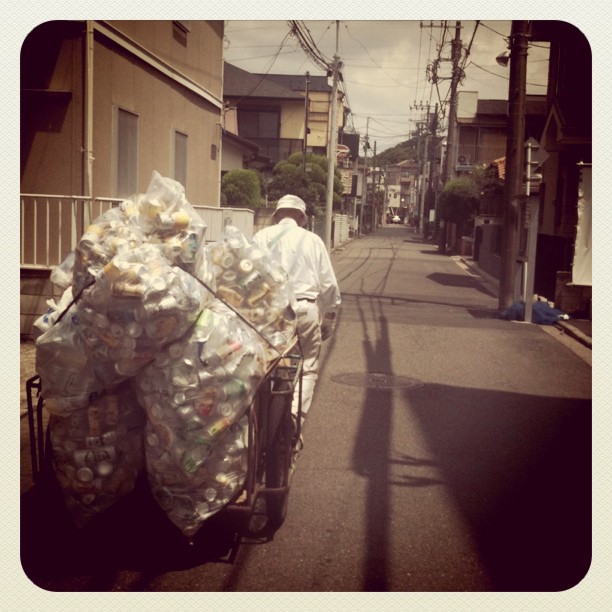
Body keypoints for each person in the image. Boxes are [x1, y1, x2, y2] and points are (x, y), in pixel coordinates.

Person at [253, 194, 341, 431]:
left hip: (268, 311)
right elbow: (329, 285)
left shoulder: (261, 237)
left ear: (277, 215)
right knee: (308, 365)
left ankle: (258, 422)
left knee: (262, 364)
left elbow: (247, 275)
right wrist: (329, 317)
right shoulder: (313, 240)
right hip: (305, 308)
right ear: (302, 218)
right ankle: (293, 419)